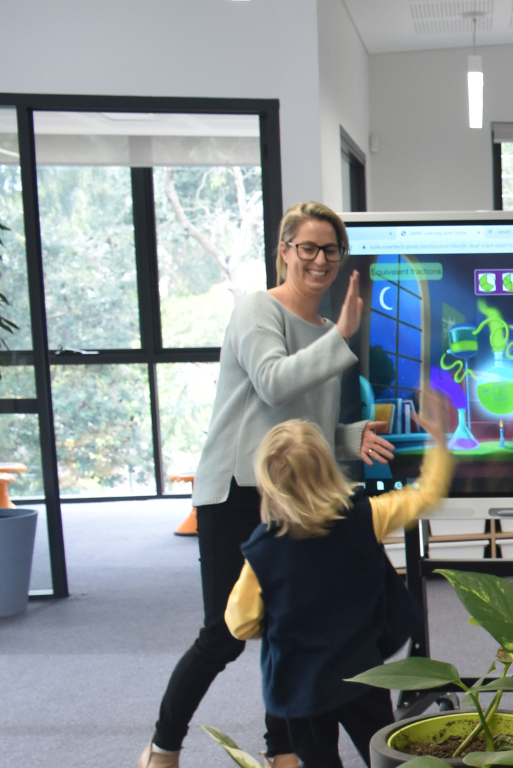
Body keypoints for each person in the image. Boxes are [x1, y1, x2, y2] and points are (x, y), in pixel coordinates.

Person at [139, 202, 396, 768]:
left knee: (289, 628)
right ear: (284, 251)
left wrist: (352, 439)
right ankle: (163, 744)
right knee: (224, 634)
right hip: (237, 489)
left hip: (290, 495)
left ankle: (280, 749)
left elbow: (310, 429)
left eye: (330, 249)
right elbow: (275, 386)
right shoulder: (260, 309)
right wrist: (344, 337)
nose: (320, 260)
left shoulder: (328, 331)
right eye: (307, 247)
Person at [225, 391, 454, 768]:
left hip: (302, 688)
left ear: (267, 483)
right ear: (329, 469)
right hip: (363, 673)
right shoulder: (366, 516)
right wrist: (441, 441)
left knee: (318, 760)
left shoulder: (262, 551)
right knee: (384, 752)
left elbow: (240, 623)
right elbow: (426, 494)